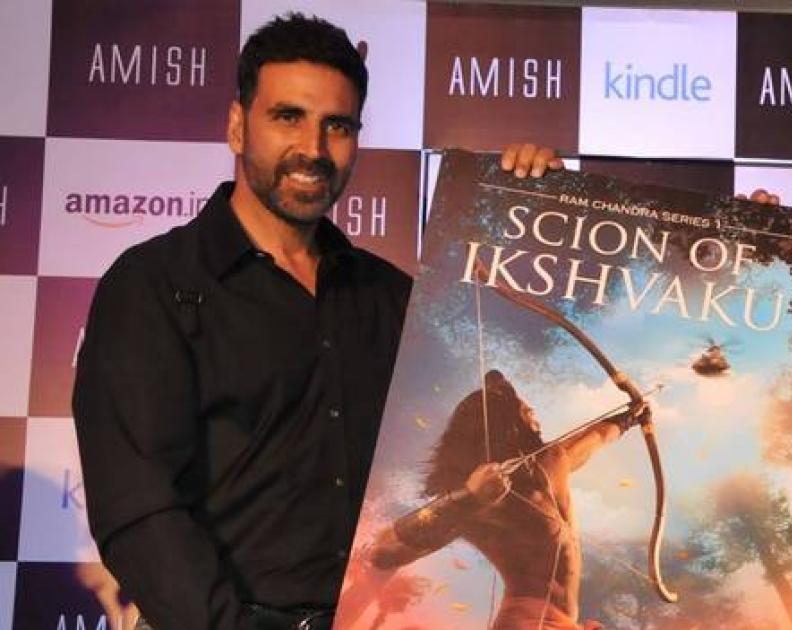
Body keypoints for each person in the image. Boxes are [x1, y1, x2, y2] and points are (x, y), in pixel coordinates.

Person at [71, 13, 562, 630]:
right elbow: (137, 509)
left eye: (337, 125)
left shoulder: (392, 299)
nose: (313, 148)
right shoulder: (152, 285)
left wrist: (534, 207)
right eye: (288, 117)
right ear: (236, 126)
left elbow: (485, 410)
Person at [358, 370, 645, 630]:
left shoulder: (552, 460)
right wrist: (469, 499)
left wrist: (631, 417)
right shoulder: (488, 500)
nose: (534, 413)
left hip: (563, 621)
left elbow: (594, 438)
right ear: (509, 425)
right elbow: (385, 550)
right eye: (525, 411)